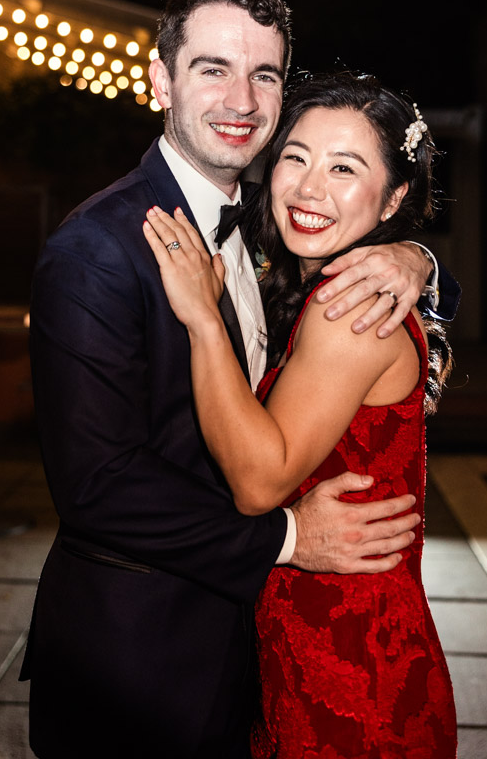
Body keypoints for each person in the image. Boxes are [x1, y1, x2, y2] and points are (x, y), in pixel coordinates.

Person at [21, 0, 459, 759]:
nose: (242, 98)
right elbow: (96, 487)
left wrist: (417, 260)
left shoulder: (275, 227)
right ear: (159, 79)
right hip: (139, 655)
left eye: (263, 74)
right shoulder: (98, 249)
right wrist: (288, 538)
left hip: (259, 648)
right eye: (213, 68)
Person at [143, 70, 457, 758]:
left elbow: (260, 483)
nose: (309, 188)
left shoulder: (348, 309)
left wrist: (201, 318)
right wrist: (418, 257)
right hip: (316, 636)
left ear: (393, 197)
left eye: (344, 168)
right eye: (295, 157)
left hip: (351, 657)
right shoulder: (319, 273)